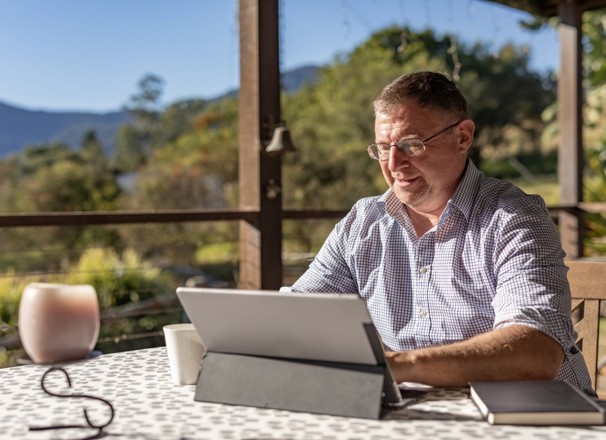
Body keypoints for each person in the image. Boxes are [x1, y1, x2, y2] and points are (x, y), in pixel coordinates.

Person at [287, 71, 594, 394]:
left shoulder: (513, 217)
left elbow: (535, 352)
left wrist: (400, 365)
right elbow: (297, 315)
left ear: (463, 137)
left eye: (411, 145)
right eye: (382, 148)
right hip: (423, 414)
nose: (393, 164)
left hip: (538, 416)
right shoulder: (363, 224)